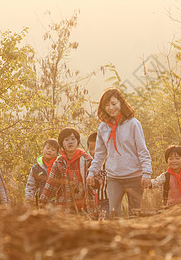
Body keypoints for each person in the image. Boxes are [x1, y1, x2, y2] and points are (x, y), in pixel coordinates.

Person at [86, 88, 152, 217]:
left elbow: (142, 150)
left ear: (121, 103)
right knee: (113, 214)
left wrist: (147, 172)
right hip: (114, 177)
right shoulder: (103, 127)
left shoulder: (133, 124)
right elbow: (100, 154)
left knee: (135, 214)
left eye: (114, 103)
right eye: (106, 105)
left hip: (134, 176)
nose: (111, 108)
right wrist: (92, 172)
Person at [39, 128, 100, 219]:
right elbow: (51, 184)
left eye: (73, 139)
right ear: (62, 144)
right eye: (66, 140)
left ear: (77, 141)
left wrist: (95, 182)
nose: (70, 142)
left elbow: (97, 178)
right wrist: (42, 203)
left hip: (86, 205)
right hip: (65, 207)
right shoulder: (59, 163)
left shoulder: (87, 160)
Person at [25, 138, 60, 206]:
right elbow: (30, 186)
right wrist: (28, 201)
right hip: (42, 201)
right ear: (42, 149)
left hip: (57, 201)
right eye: (48, 148)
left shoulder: (60, 165)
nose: (50, 151)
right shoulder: (36, 168)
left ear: (56, 153)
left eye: (53, 150)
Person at [87, 132, 109, 215]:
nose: (93, 152)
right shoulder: (89, 164)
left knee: (105, 220)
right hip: (94, 201)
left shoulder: (109, 163)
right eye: (90, 148)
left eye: (96, 149)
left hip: (108, 200)